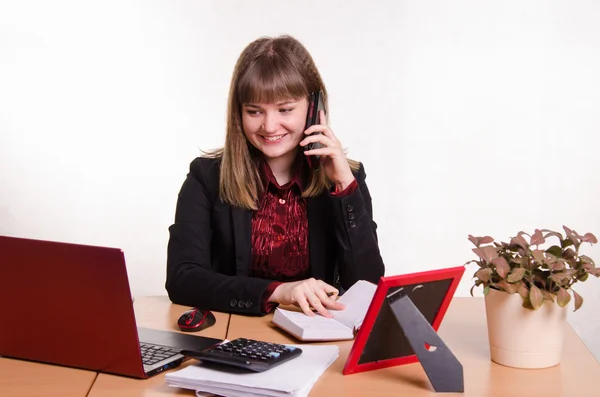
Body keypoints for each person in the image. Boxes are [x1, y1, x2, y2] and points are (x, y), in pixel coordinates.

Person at [166, 35, 384, 318]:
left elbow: (367, 287)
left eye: (285, 109)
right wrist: (278, 291)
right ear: (238, 113)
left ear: (314, 108)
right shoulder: (206, 177)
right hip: (234, 334)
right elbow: (182, 279)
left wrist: (344, 187)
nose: (269, 126)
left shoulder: (347, 178)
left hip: (317, 336)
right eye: (254, 111)